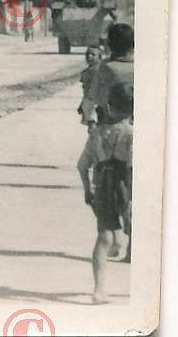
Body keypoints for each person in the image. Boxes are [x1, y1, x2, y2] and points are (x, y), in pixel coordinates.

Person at [77, 82, 133, 304]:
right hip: (125, 188)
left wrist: (87, 189)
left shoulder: (96, 134)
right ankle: (124, 247)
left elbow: (82, 165)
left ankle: (100, 289)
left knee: (104, 237)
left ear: (108, 107)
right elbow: (132, 167)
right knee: (131, 228)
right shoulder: (132, 134)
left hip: (103, 187)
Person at [81, 23, 134, 126]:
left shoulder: (106, 68)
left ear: (110, 44)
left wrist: (90, 120)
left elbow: (92, 97)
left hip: (112, 124)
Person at [77, 45, 104, 124]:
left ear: (100, 57)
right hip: (89, 105)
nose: (89, 56)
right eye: (87, 54)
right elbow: (86, 90)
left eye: (93, 54)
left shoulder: (102, 71)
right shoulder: (86, 72)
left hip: (97, 106)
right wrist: (82, 104)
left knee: (94, 130)